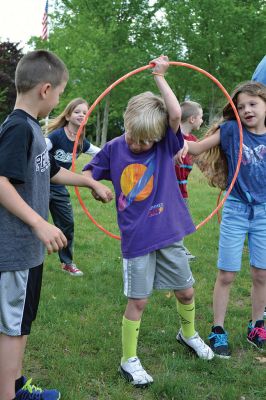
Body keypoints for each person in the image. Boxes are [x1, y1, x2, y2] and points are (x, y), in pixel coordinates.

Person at [83, 55, 214, 388]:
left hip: (169, 233)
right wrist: (95, 184)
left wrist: (160, 76)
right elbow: (87, 172)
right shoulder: (113, 148)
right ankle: (129, 359)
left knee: (186, 291)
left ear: (159, 139)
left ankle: (188, 335)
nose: (138, 144)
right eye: (133, 136)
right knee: (138, 300)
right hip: (137, 240)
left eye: (146, 141)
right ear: (125, 124)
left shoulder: (165, 143)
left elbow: (173, 113)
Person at [0, 50, 113, 400]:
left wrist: (90, 182)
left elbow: (50, 171)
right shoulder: (17, 127)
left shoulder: (32, 128)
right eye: (62, 94)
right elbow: (1, 181)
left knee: (21, 324)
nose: (61, 100)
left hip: (29, 252)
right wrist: (39, 223)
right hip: (15, 250)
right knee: (10, 329)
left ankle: (17, 387)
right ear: (46, 90)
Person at [182, 80, 266, 358]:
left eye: (253, 104)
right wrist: (174, 135)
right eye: (240, 106)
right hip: (236, 209)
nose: (246, 110)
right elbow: (195, 149)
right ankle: (217, 329)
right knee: (227, 273)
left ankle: (257, 325)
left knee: (261, 273)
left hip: (264, 212)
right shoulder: (231, 131)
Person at [45, 98, 101, 277]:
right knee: (33, 223)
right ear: (68, 115)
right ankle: (28, 260)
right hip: (41, 185)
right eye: (77, 112)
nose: (81, 115)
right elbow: (39, 149)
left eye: (85, 113)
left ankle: (67, 263)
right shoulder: (56, 136)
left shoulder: (82, 142)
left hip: (60, 187)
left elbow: (101, 153)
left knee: (67, 224)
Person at [174, 101, 203, 261]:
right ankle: (177, 250)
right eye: (201, 117)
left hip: (182, 189)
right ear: (192, 119)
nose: (202, 121)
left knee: (182, 220)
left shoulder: (194, 141)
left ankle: (178, 248)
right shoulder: (173, 135)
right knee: (174, 220)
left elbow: (203, 161)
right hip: (169, 189)